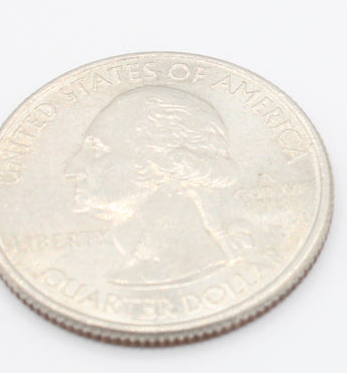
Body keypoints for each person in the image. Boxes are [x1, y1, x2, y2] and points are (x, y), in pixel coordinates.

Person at [65, 85, 241, 285]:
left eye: (98, 149)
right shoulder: (135, 269)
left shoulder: (172, 270)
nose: (72, 170)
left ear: (167, 162)